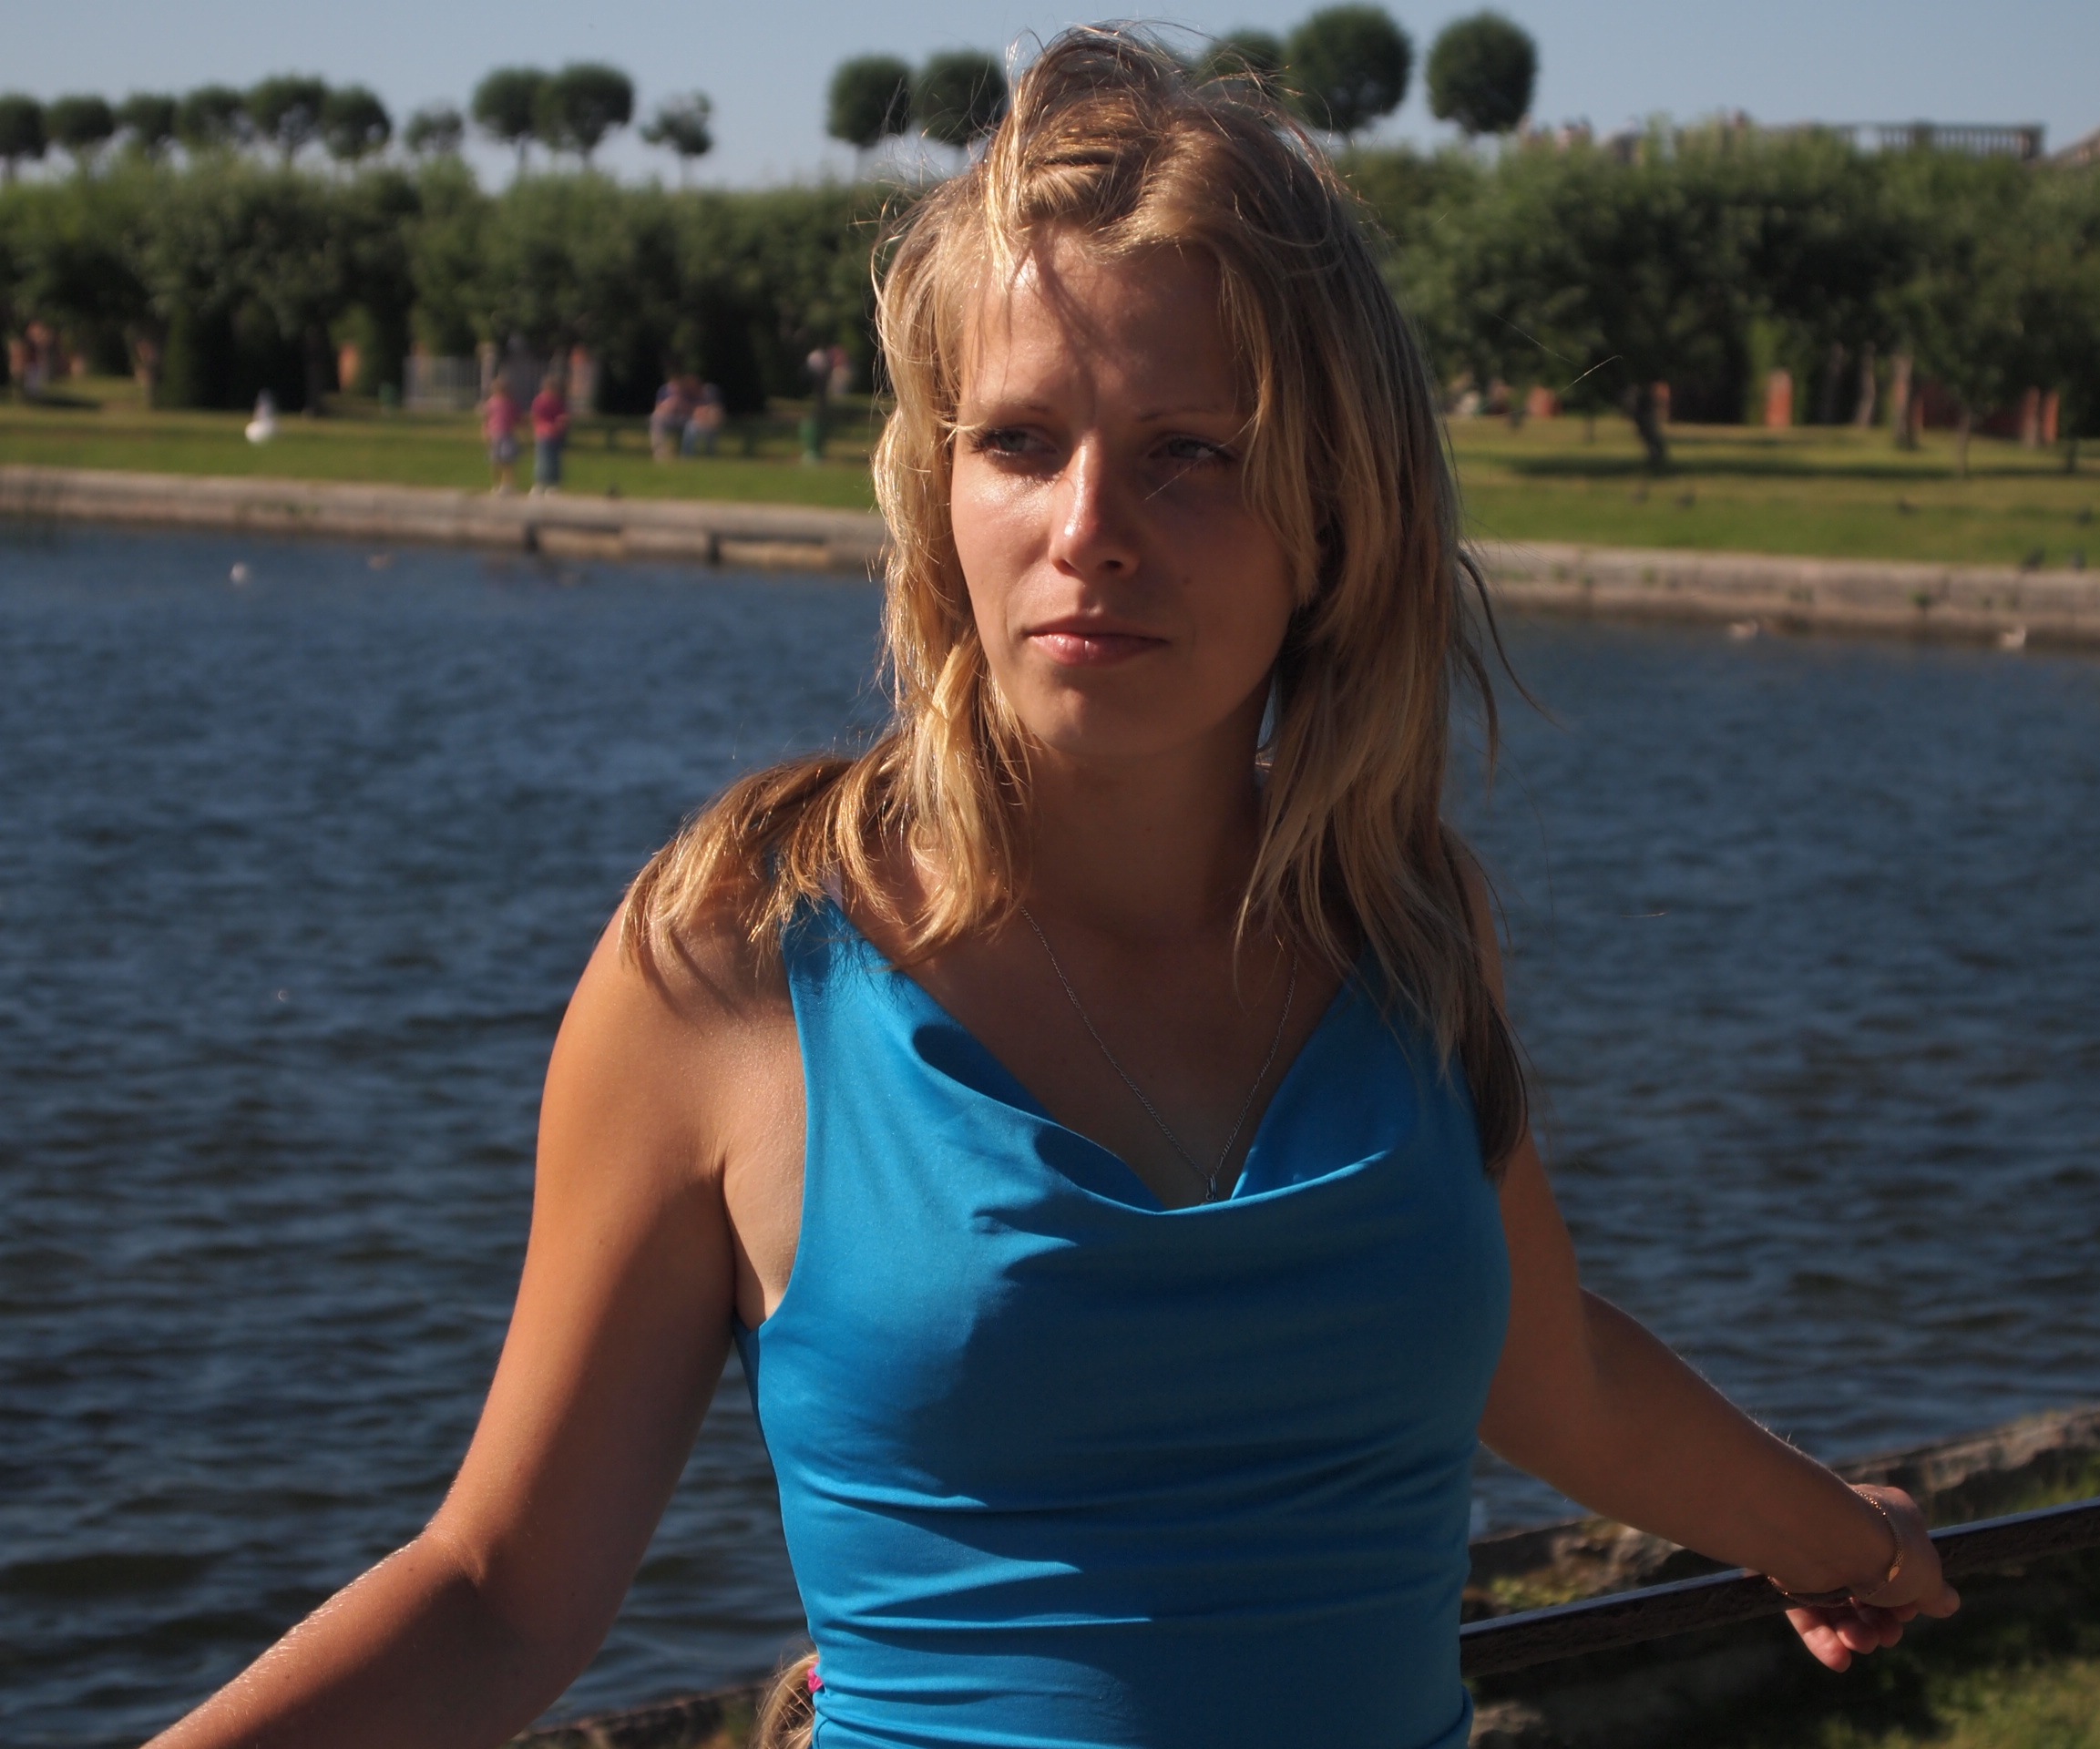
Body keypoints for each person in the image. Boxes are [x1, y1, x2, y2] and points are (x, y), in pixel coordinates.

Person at [152, 31, 1957, 1749]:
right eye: (1019, 441)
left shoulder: (1406, 926)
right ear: (938, 494)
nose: (1088, 527)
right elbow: (497, 1595)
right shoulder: (731, 962)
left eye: (1192, 452)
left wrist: (1835, 1536)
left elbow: (1547, 1372)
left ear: (1336, 511)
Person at [530, 373, 570, 496]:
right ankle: (540, 483)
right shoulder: (540, 401)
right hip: (543, 434)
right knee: (542, 460)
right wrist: (544, 427)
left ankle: (553, 484)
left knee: (553, 460)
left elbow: (562, 416)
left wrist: (561, 423)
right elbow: (537, 417)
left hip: (555, 435)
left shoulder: (557, 402)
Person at [480, 374, 518, 495]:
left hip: (507, 434)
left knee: (508, 461)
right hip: (495, 434)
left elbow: (515, 418)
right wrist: (485, 432)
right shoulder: (491, 403)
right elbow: (486, 418)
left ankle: (507, 484)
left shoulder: (510, 404)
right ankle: (496, 484)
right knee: (495, 461)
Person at [649, 371, 692, 461]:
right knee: (656, 418)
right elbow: (657, 409)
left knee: (692, 425)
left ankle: (687, 453)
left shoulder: (686, 392)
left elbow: (691, 411)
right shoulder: (663, 391)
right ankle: (659, 450)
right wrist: (667, 406)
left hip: (683, 419)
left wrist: (681, 405)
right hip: (668, 418)